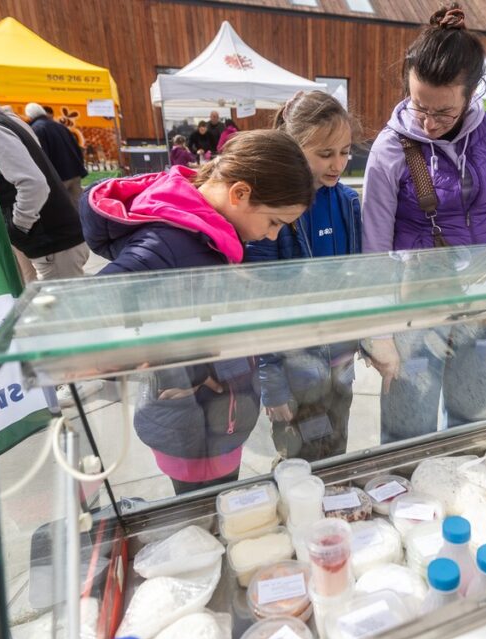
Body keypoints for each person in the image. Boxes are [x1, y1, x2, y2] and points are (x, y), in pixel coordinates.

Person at [80, 130, 314, 494]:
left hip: (222, 411)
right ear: (239, 193)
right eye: (274, 223)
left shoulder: (208, 232)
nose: (271, 236)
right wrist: (179, 369)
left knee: (225, 500)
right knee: (202, 507)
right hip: (187, 418)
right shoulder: (168, 240)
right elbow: (91, 309)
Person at [360, 3, 486, 444]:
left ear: (471, 93)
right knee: (408, 426)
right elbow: (374, 249)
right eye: (419, 107)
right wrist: (378, 332)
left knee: (471, 414)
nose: (429, 123)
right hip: (417, 305)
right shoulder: (391, 148)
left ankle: (464, 474)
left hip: (485, 298)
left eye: (444, 112)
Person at [245, 91, 363, 462]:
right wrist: (271, 382)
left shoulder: (347, 201)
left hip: (340, 360)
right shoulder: (272, 208)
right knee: (298, 459)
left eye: (345, 152)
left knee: (336, 450)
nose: (338, 164)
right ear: (294, 147)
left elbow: (357, 278)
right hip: (293, 370)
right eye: (325, 154)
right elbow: (261, 301)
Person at [0, 61, 89, 283]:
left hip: (52, 241)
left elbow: (33, 183)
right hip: (54, 239)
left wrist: (18, 226)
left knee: (65, 304)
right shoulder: (4, 120)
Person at [24, 102, 89, 206]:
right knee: (78, 206)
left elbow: (41, 157)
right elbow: (77, 148)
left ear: (29, 116)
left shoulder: (37, 129)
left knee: (60, 208)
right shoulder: (60, 126)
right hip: (74, 172)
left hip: (58, 177)